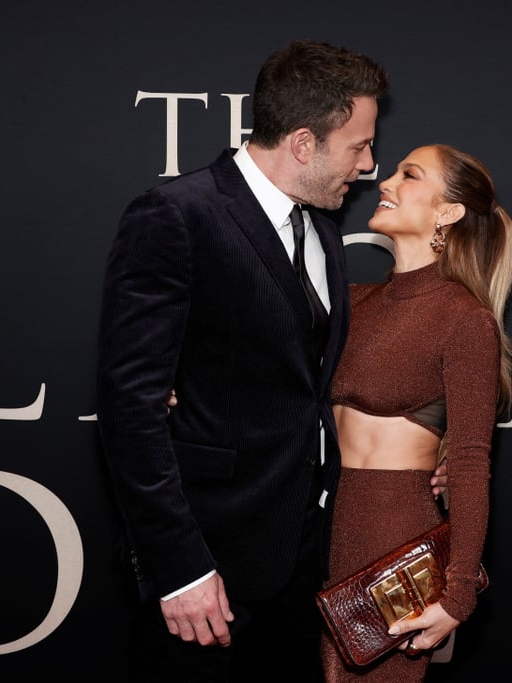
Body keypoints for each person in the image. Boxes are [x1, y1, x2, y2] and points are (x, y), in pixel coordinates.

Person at [96, 40, 444, 683]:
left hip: (305, 565)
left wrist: (434, 448)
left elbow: (320, 384)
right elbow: (129, 410)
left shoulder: (322, 231)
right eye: (359, 147)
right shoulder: (178, 216)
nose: (370, 166)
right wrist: (179, 568)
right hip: (207, 573)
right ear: (305, 143)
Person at [320, 143, 512, 681]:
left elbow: (473, 465)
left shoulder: (464, 319)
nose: (384, 182)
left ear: (448, 212)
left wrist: (457, 598)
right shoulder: (352, 301)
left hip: (391, 534)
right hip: (315, 529)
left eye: (410, 175)